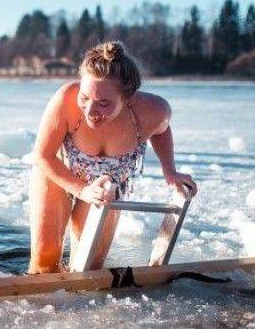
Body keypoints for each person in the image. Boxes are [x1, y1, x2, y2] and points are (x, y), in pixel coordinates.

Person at [28, 41, 197, 274]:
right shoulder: (65, 99)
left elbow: (162, 130)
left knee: (88, 268)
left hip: (107, 186)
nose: (90, 111)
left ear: (127, 98)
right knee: (44, 261)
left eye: (104, 103)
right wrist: (81, 190)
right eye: (85, 97)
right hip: (59, 173)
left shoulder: (154, 110)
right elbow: (42, 156)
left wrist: (170, 171)